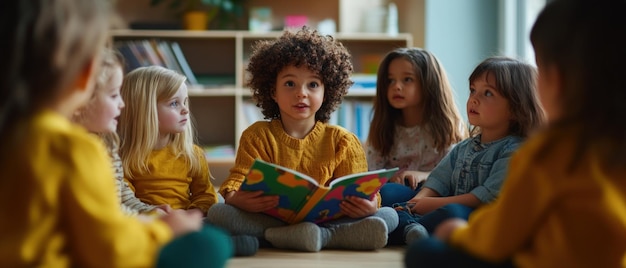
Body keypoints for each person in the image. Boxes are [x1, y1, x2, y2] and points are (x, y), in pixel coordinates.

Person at [0, 1, 231, 267]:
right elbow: (109, 247)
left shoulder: (13, 134)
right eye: (113, 95)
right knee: (212, 245)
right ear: (87, 73)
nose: (120, 104)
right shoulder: (74, 148)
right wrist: (165, 230)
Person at [405, 0, 626, 267]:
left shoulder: (549, 153)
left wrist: (458, 233)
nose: (474, 99)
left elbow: (500, 234)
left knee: (424, 251)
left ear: (556, 79)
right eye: (473, 90)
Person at [205, 26, 399, 254]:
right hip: (271, 218)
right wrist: (236, 199)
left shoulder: (343, 140)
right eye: (290, 84)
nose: (301, 93)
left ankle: (300, 237)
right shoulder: (257, 135)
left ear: (327, 92)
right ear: (273, 92)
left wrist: (368, 206)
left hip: (328, 220)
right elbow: (236, 180)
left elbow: (362, 190)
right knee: (218, 212)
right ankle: (316, 237)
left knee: (389, 214)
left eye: (313, 85)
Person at [389, 56, 545, 246]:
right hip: (439, 205)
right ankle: (407, 227)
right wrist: (416, 202)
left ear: (515, 107)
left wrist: (429, 205)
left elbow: (483, 198)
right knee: (390, 192)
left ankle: (402, 227)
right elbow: (439, 180)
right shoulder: (465, 146)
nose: (474, 99)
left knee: (453, 214)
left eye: (487, 93)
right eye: (473, 90)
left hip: (476, 215)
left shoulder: (514, 150)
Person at [73, 48, 169, 216]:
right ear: (82, 101)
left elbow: (122, 196)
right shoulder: (76, 151)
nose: (122, 104)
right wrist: (150, 221)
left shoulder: (107, 141)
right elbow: (105, 211)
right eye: (113, 95)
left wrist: (149, 210)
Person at [366, 47, 467, 207]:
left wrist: (424, 176)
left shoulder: (448, 126)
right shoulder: (383, 126)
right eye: (390, 80)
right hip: (396, 191)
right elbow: (372, 172)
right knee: (386, 193)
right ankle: (409, 222)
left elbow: (455, 175)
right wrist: (391, 178)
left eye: (407, 79)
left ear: (429, 84)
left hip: (434, 192)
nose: (396, 86)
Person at [118, 65, 218, 216]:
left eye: (185, 102)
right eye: (174, 103)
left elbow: (206, 195)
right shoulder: (124, 157)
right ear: (145, 110)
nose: (185, 110)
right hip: (149, 223)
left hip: (188, 221)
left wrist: (192, 214)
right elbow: (126, 202)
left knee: (222, 211)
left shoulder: (193, 154)